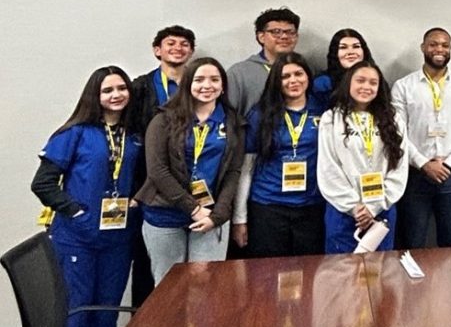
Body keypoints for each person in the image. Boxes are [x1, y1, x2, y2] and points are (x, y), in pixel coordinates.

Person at [30, 66, 143, 327]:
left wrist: (138, 199)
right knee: (78, 307)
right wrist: (76, 212)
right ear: (95, 95)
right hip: (77, 235)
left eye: (121, 88)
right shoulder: (75, 132)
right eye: (108, 90)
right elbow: (42, 184)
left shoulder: (134, 135)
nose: (116, 95)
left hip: (118, 236)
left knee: (107, 307)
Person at [136, 57, 244, 285]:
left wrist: (219, 215)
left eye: (215, 79)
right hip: (165, 213)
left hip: (211, 216)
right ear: (188, 84)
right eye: (199, 79)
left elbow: (233, 171)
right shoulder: (163, 119)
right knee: (168, 287)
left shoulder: (233, 121)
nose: (207, 85)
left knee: (205, 287)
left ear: (223, 85)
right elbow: (157, 171)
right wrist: (194, 209)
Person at [391, 27, 451, 248]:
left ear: (450, 49)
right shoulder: (403, 86)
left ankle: (448, 284)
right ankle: (413, 283)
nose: (439, 49)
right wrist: (423, 164)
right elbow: (398, 132)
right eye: (433, 44)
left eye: (444, 45)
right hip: (415, 175)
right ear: (423, 47)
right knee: (412, 241)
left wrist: (448, 164)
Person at [232, 53, 326, 258]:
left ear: (308, 77)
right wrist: (240, 218)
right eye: (285, 76)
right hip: (268, 205)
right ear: (276, 81)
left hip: (312, 206)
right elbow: (247, 167)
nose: (293, 81)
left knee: (309, 273)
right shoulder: (261, 114)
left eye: (298, 74)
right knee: (269, 275)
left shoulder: (323, 110)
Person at [127, 24, 196, 307]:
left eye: (184, 44)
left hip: (193, 183)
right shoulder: (141, 87)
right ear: (158, 50)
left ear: (191, 52)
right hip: (150, 185)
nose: (178, 48)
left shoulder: (201, 85)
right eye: (171, 43)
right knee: (148, 263)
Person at [318, 61, 408, 253]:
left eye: (373, 83)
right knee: (341, 272)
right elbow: (329, 168)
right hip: (343, 210)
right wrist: (355, 208)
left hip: (381, 209)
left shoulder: (394, 119)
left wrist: (373, 207)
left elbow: (399, 168)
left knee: (378, 274)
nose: (366, 87)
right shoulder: (331, 119)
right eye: (360, 81)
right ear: (348, 83)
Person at [227, 7, 301, 115]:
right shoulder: (239, 73)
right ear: (261, 37)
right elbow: (229, 116)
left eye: (290, 32)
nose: (284, 36)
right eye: (276, 32)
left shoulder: (304, 70)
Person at [312, 28, 375, 105]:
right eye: (343, 47)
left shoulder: (376, 79)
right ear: (335, 53)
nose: (351, 52)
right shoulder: (322, 83)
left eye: (356, 46)